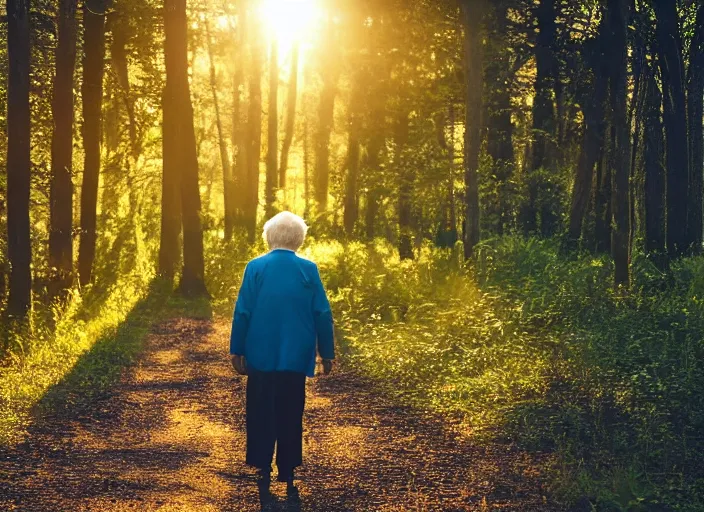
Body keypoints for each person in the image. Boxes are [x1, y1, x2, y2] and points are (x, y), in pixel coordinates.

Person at [229, 211, 335, 504]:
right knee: (291, 410)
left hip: (260, 354)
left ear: (269, 237)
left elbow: (243, 311)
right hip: (295, 355)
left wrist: (236, 348)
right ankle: (287, 469)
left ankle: (261, 464)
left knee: (261, 409)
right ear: (299, 239)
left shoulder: (255, 267)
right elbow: (322, 313)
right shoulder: (308, 269)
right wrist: (327, 353)